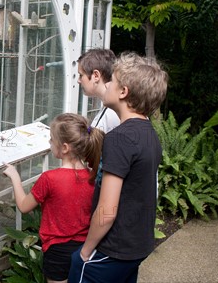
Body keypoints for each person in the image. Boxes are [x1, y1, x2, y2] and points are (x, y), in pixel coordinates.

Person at [68, 52, 169, 283]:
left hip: (112, 249)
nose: (108, 84)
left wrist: (85, 252)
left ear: (123, 92)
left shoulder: (119, 139)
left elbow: (107, 211)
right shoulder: (149, 134)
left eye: (112, 80)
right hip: (137, 246)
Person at [3, 114, 105, 283]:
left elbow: (23, 206)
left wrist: (15, 177)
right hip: (84, 248)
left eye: (51, 139)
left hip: (56, 252)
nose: (50, 143)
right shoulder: (92, 176)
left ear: (64, 148)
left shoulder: (49, 179)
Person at [77, 48, 120, 134]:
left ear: (96, 76)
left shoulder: (112, 114)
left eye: (81, 75)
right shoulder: (111, 107)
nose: (78, 80)